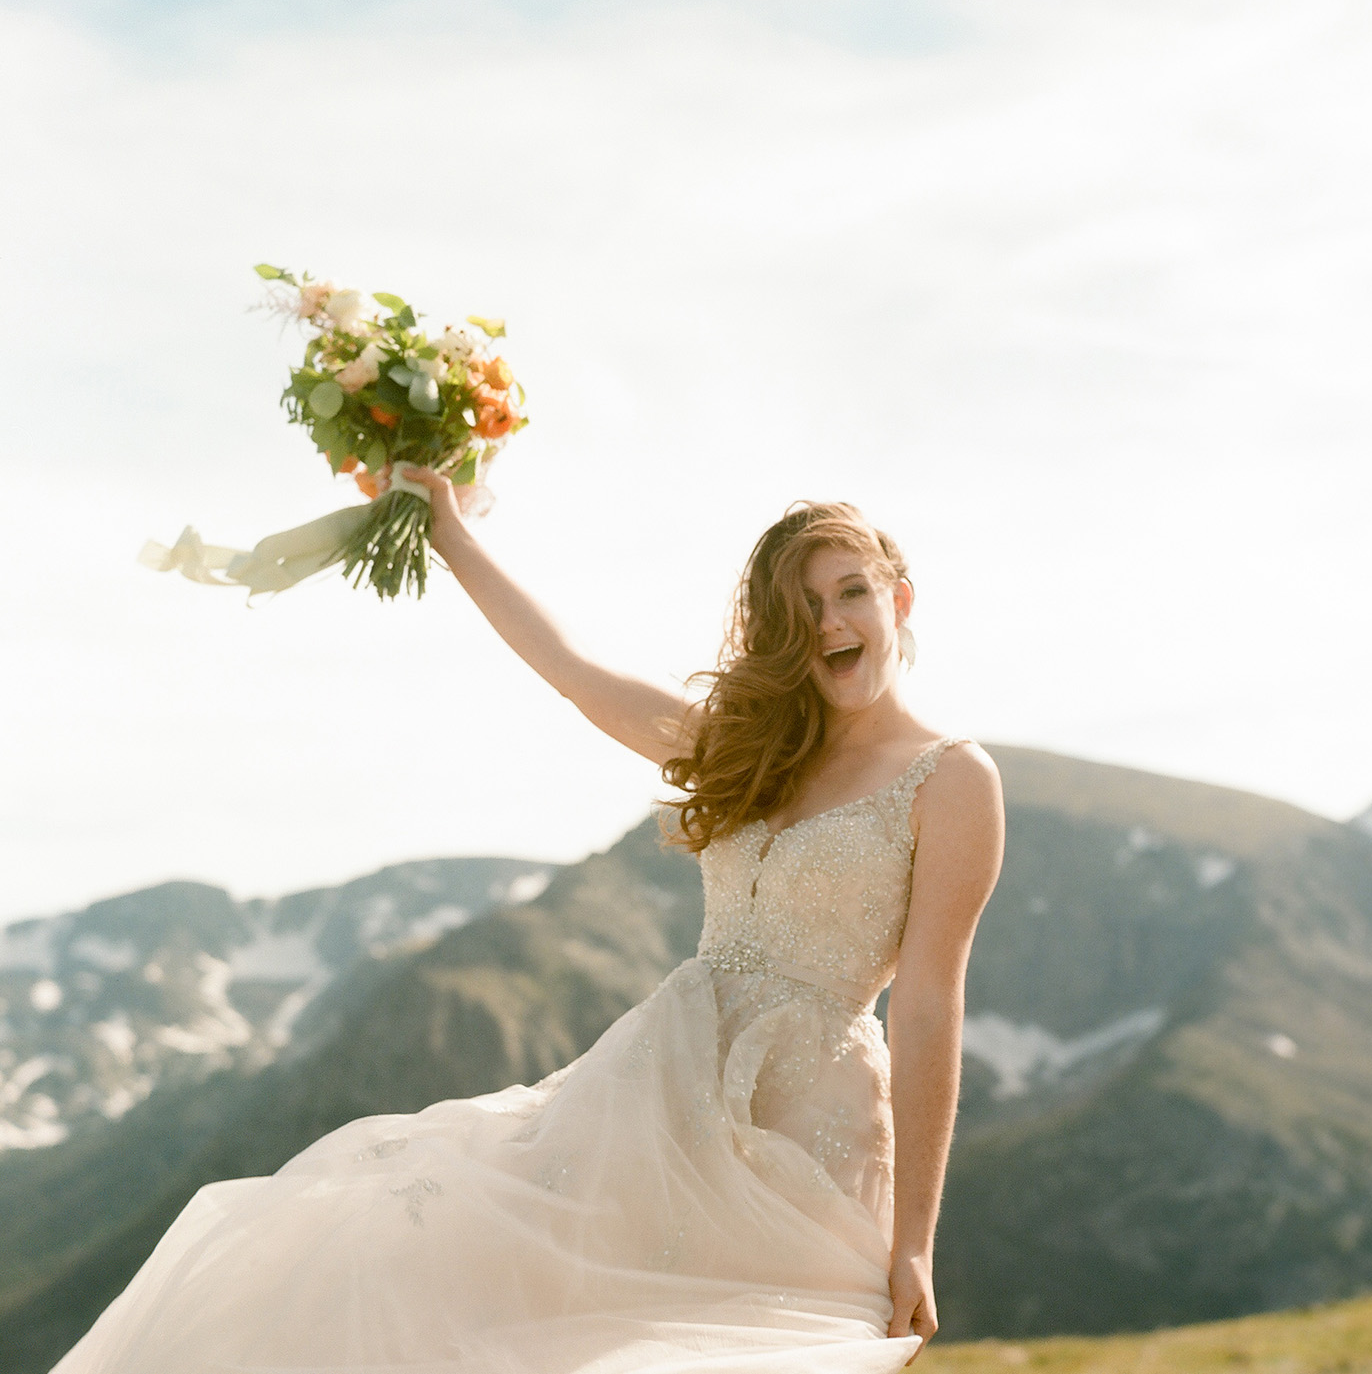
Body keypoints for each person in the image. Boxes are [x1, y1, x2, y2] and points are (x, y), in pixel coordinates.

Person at [54, 481, 1005, 1374]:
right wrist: (449, 526)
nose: (831, 622)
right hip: (654, 1102)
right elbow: (570, 671)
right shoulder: (745, 750)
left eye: (851, 593)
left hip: (809, 1130)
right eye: (803, 610)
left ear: (900, 600)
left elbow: (926, 1008)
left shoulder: (952, 780)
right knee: (459, 1282)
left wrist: (914, 1240)